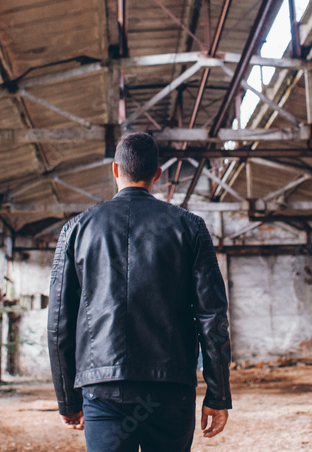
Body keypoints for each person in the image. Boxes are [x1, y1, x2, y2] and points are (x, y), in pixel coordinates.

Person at [47, 132, 232, 452]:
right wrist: (217, 394)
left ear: (115, 170)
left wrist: (68, 399)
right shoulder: (190, 227)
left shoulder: (76, 229)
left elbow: (59, 322)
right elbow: (211, 316)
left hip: (104, 391)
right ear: (157, 175)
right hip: (171, 388)